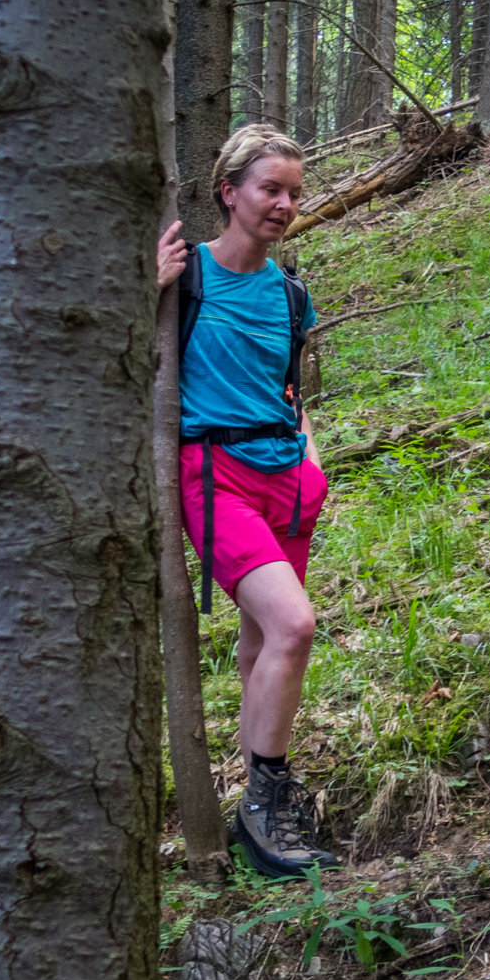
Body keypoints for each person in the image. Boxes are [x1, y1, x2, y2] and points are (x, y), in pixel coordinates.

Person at [156, 124, 336, 878]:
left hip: (288, 478)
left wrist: (312, 459)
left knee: (264, 641)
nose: (285, 203)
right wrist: (146, 287)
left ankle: (262, 806)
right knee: (294, 624)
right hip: (211, 475)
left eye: (294, 191)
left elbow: (292, 388)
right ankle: (265, 801)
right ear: (228, 192)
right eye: (270, 188)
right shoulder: (186, 277)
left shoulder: (290, 292)